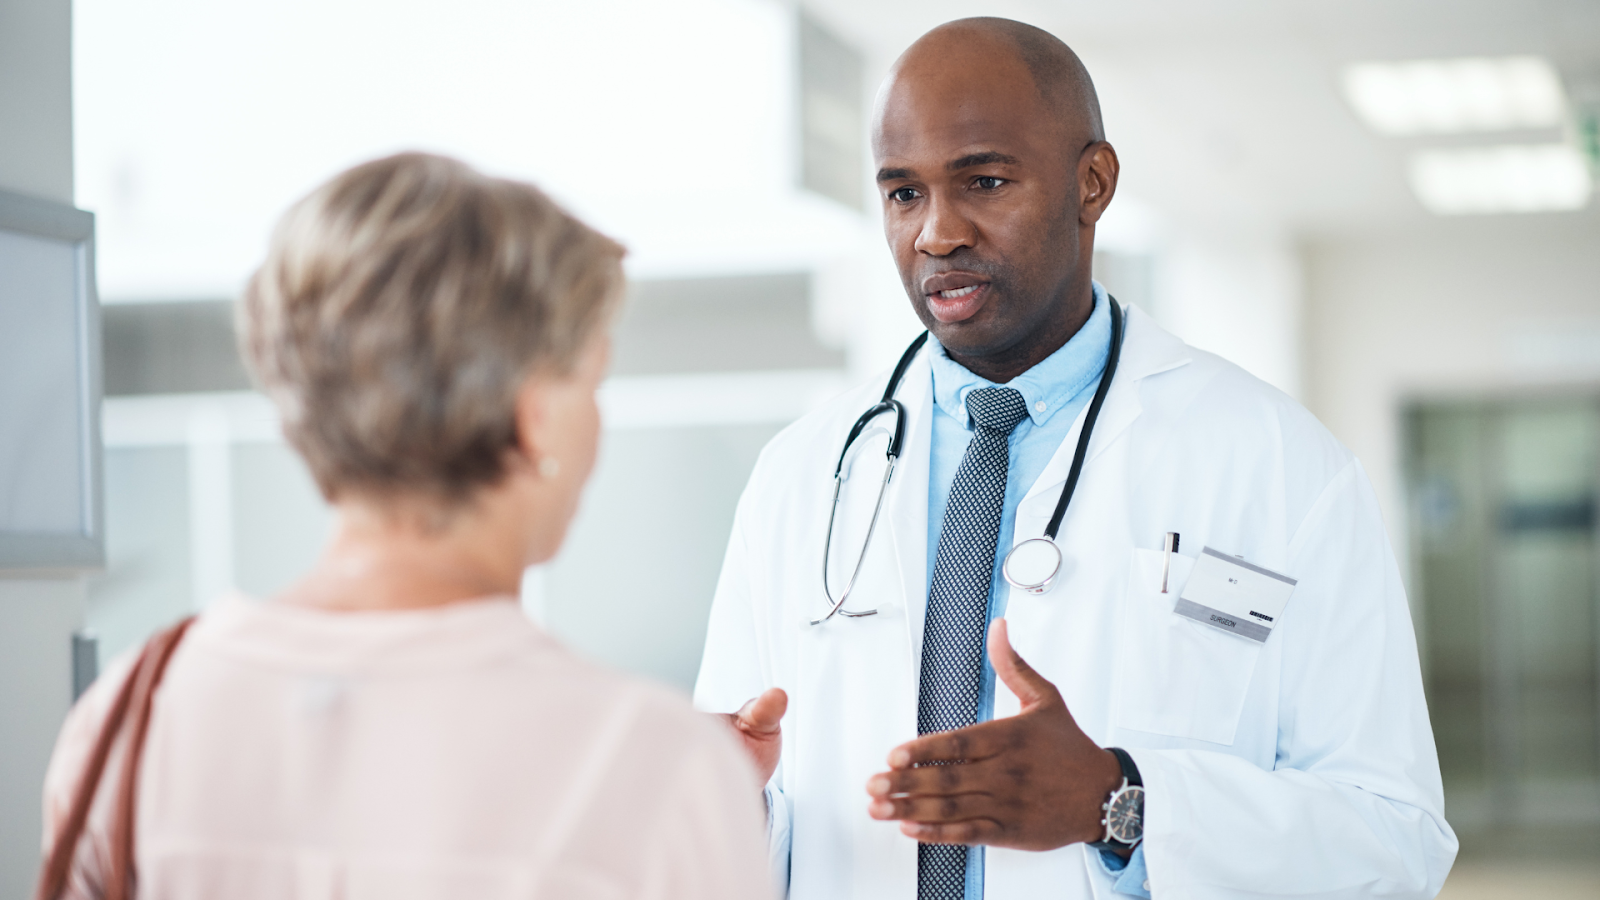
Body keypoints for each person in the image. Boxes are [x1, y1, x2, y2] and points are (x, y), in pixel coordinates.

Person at [696, 17, 1458, 900]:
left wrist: (1120, 802)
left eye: (984, 180)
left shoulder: (1282, 466)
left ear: (1091, 183)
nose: (937, 233)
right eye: (903, 194)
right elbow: (751, 814)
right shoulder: (802, 475)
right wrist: (722, 808)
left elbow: (1394, 842)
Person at [41, 153, 771, 900]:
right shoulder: (648, 765)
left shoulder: (129, 714)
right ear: (535, 418)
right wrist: (693, 805)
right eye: (593, 381)